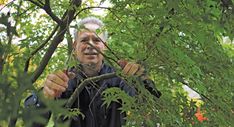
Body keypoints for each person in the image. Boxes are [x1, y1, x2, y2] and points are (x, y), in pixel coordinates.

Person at [24, 17, 161, 127]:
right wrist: (45, 98)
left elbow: (151, 106)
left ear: (105, 46)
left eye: (97, 40)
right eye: (84, 40)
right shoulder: (63, 82)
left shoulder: (120, 79)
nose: (90, 45)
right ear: (75, 46)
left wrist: (141, 80)